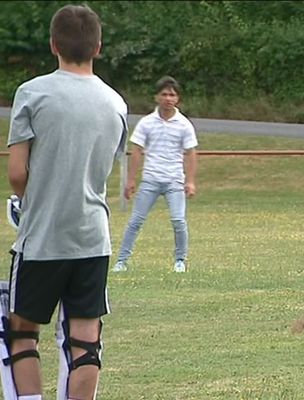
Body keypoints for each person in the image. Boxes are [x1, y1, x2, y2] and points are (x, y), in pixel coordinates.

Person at [2, 4, 127, 399]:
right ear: (99, 47)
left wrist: (29, 201)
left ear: (53, 44)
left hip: (43, 237)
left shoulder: (32, 93)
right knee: (85, 341)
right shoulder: (116, 103)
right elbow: (100, 168)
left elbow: (18, 173)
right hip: (92, 237)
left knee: (22, 332)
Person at [112, 76, 198, 273]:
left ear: (177, 99)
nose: (168, 98)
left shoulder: (184, 124)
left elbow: (191, 153)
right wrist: (131, 180)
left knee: (178, 220)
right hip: (151, 179)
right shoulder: (147, 123)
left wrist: (190, 181)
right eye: (164, 94)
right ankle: (122, 261)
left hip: (174, 180)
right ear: (157, 97)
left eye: (172, 95)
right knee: (136, 220)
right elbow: (136, 150)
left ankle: (180, 261)